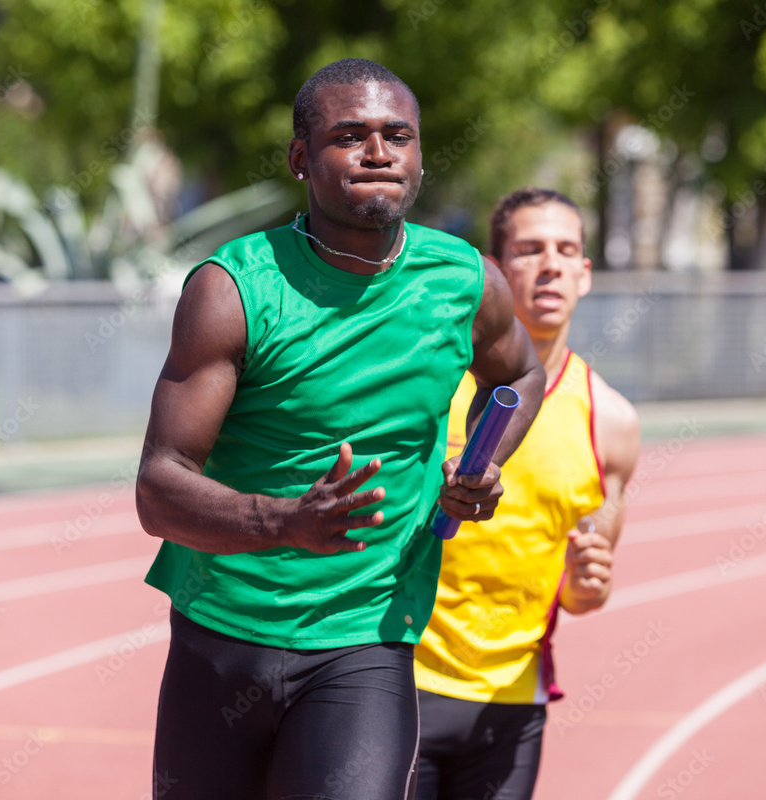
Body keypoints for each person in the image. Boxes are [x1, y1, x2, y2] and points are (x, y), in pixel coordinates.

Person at [134, 59, 545, 800]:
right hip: (222, 633)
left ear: (419, 156)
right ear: (301, 158)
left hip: (365, 638)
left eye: (398, 136)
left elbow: (518, 376)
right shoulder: (232, 290)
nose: (378, 152)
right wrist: (287, 521)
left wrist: (481, 461)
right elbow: (159, 491)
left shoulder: (466, 281)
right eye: (349, 136)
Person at [414, 188, 641, 800]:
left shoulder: (610, 422)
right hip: (399, 679)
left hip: (511, 706)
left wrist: (587, 586)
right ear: (494, 268)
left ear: (585, 274)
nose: (551, 265)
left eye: (566, 250)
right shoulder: (436, 382)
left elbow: (581, 588)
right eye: (530, 249)